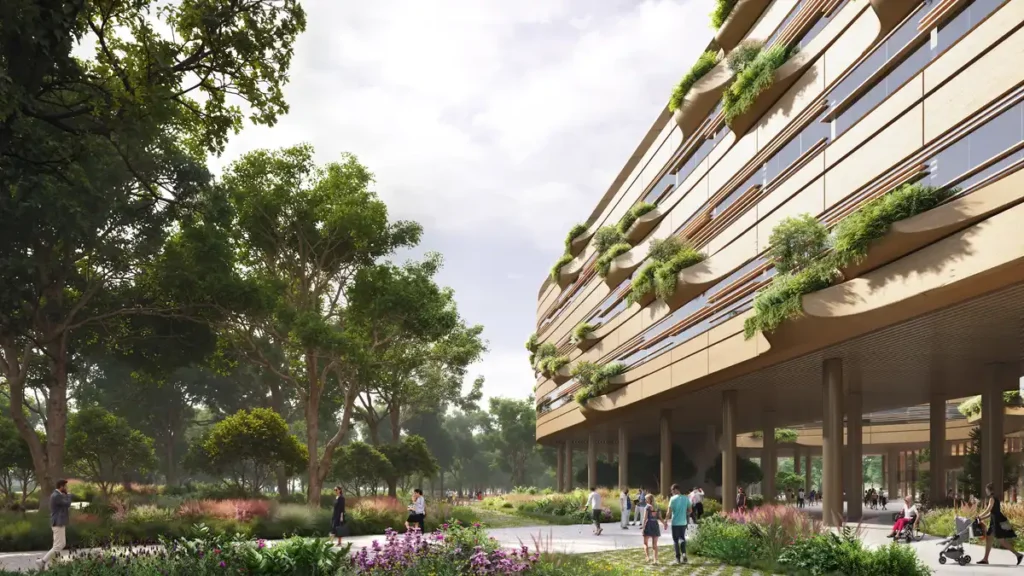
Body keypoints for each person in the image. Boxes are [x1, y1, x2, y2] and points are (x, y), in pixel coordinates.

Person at [977, 482, 1024, 565]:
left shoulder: (992, 499)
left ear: (989, 490)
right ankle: (985, 559)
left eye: (986, 490)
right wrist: (982, 518)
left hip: (996, 523)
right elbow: (991, 513)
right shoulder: (996, 499)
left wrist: (979, 516)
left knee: (1002, 541)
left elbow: (988, 510)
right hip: (994, 521)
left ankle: (1018, 555)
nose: (986, 491)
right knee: (989, 538)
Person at [37, 479, 72, 569]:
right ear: (61, 487)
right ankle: (42, 561)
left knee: (61, 544)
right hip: (57, 523)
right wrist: (69, 495)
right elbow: (67, 504)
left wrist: (66, 495)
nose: (66, 488)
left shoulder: (58, 495)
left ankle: (55, 563)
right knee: (58, 546)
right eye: (65, 486)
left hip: (59, 523)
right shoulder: (56, 496)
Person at [665, 484, 692, 565]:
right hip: (683, 522)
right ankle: (684, 553)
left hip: (675, 522)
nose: (671, 492)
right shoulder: (686, 498)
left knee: (675, 540)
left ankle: (678, 558)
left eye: (672, 490)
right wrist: (684, 514)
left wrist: (666, 520)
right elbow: (690, 510)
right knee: (682, 538)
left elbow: (669, 511)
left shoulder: (672, 499)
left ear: (675, 489)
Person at [641, 494, 662, 564]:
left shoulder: (647, 507)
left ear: (649, 500)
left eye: (646, 499)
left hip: (648, 524)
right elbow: (659, 517)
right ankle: (655, 560)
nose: (645, 500)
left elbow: (645, 518)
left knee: (645, 543)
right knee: (655, 544)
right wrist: (664, 523)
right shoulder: (657, 506)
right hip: (655, 525)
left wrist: (643, 527)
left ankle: (647, 557)